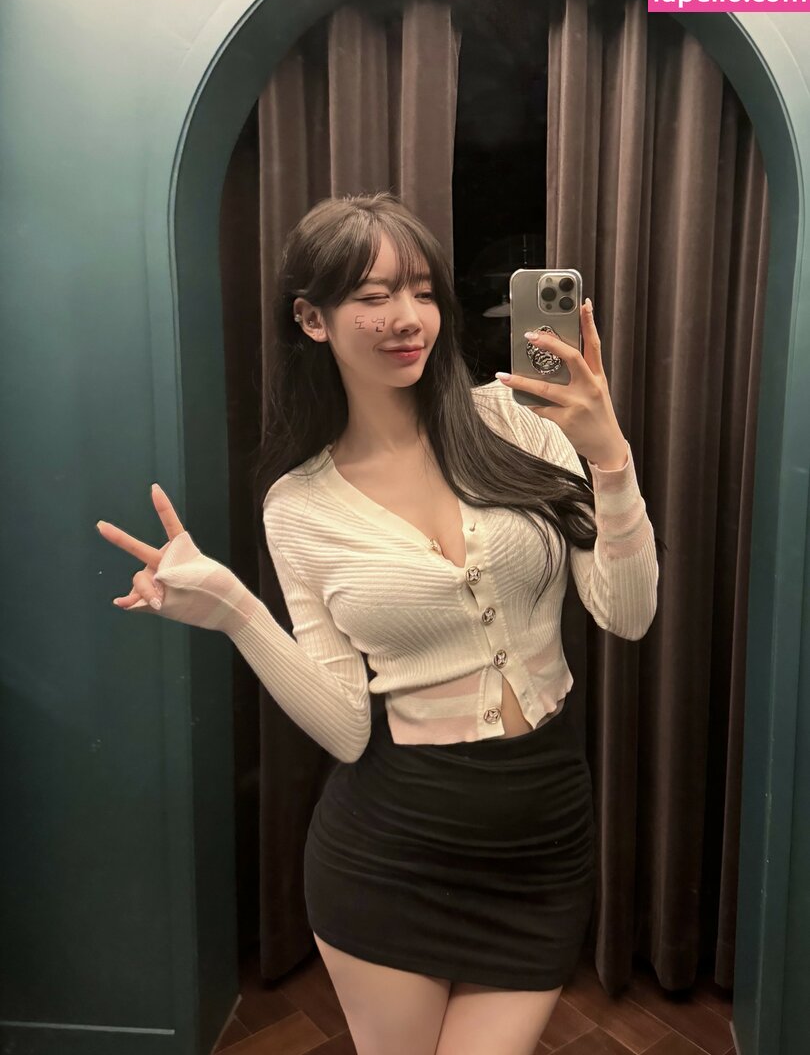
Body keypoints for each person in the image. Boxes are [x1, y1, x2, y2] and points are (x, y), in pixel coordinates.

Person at [96, 191, 658, 1055]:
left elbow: (628, 614)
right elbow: (348, 730)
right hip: (390, 852)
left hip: (544, 835)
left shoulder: (519, 423)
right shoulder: (298, 506)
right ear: (311, 319)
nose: (407, 318)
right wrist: (235, 611)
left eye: (423, 291)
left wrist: (609, 456)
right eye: (372, 295)